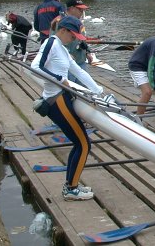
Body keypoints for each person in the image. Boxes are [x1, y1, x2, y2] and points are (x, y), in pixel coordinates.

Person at [31, 16, 104, 201]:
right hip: (57, 101)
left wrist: (98, 91)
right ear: (63, 30)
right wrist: (59, 79)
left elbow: (79, 72)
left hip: (64, 98)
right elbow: (35, 66)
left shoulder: (62, 49)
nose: (74, 40)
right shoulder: (51, 43)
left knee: (79, 143)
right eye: (73, 36)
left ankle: (71, 185)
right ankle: (71, 189)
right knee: (84, 144)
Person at [50, 0, 92, 84]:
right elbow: (53, 42)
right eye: (80, 9)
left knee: (85, 89)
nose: (82, 12)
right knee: (70, 91)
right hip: (67, 65)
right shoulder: (58, 22)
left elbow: (82, 38)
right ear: (72, 8)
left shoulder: (79, 22)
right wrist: (66, 54)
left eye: (83, 10)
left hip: (81, 61)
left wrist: (87, 52)